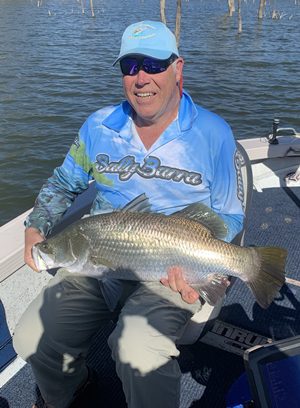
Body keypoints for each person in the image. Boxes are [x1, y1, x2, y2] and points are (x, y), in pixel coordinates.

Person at [13, 20, 244, 408]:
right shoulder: (98, 127)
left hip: (175, 266)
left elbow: (229, 216)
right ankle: (68, 392)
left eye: (153, 65)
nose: (141, 78)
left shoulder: (213, 133)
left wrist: (213, 272)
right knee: (32, 337)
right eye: (130, 66)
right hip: (99, 255)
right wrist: (37, 228)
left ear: (177, 68)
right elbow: (62, 183)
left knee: (137, 348)